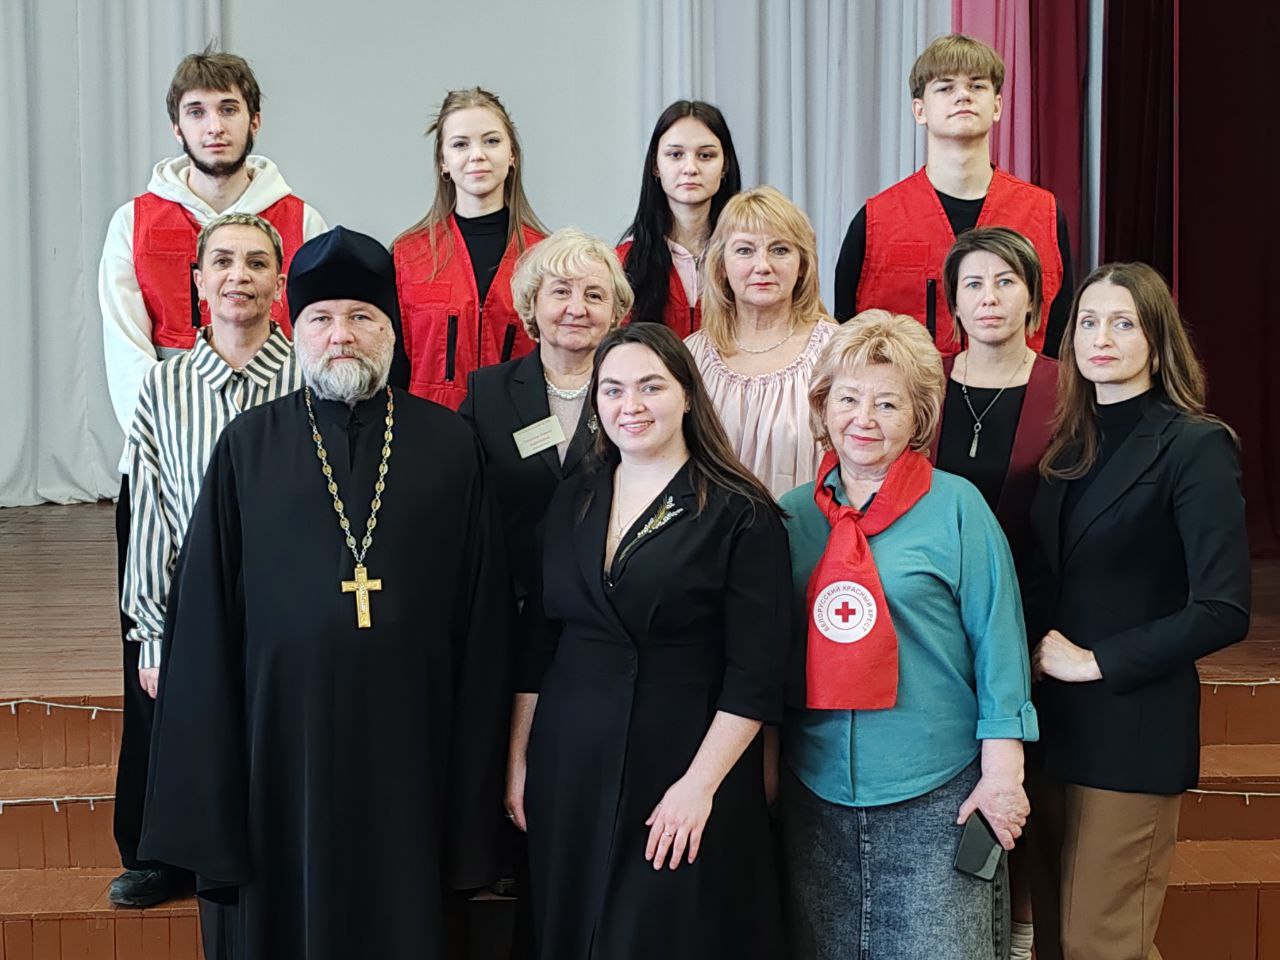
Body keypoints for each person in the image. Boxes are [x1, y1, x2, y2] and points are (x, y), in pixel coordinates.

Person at [138, 227, 513, 960]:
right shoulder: (248, 446)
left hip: (416, 741)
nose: (341, 335)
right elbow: (207, 617)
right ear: (297, 330)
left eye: (361, 317)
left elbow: (483, 614)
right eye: (322, 319)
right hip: (279, 745)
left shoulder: (450, 444)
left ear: (391, 329)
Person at [98, 45, 326, 909]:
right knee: (157, 674)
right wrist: (172, 425)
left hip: (279, 469)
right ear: (178, 126)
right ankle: (158, 846)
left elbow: (319, 329)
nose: (215, 125)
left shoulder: (299, 215)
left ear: (253, 119)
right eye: (197, 111)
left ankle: (272, 832)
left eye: (229, 108)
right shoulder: (137, 218)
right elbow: (127, 340)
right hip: (172, 450)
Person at [509, 323, 790, 959]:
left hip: (682, 768)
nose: (629, 405)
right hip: (570, 767)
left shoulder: (741, 512)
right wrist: (519, 762)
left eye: (650, 387)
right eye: (612, 390)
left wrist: (699, 787)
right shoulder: (574, 498)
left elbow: (755, 675)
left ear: (687, 394)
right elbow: (538, 641)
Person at [778, 311, 1038, 960]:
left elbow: (1000, 645)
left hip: (938, 796)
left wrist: (1003, 774)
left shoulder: (958, 508)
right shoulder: (790, 518)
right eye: (848, 398)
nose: (864, 418)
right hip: (816, 795)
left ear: (919, 416)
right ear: (823, 407)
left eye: (888, 403)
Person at [1023, 263, 1252, 960]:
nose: (1101, 338)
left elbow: (1223, 608)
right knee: (1054, 941)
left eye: (1123, 323)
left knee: (1101, 944)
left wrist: (1097, 661)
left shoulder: (1195, 445)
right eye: (1089, 322)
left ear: (1157, 339)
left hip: (1132, 728)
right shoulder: (1068, 446)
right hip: (1053, 727)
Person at [930, 226, 1055, 958]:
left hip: (1036, 619)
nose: (989, 298)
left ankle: (1022, 936)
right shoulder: (925, 382)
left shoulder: (1067, 386)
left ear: (1033, 298)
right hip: (938, 622)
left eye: (1006, 281)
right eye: (973, 284)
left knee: (1022, 788)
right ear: (953, 302)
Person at [122, 212, 300, 693]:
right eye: (222, 262)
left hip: (298, 611)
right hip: (200, 608)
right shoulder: (164, 386)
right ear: (200, 282)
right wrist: (153, 637)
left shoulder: (311, 377)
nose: (239, 275)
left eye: (257, 263)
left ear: (279, 285)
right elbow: (151, 518)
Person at [832, 33, 1072, 358]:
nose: (963, 96)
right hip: (908, 389)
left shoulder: (1043, 214)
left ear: (997, 106)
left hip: (1022, 388)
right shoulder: (875, 221)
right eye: (945, 88)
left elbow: (1061, 332)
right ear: (920, 110)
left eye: (977, 85)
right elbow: (845, 333)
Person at [393, 87, 547, 409]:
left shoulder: (546, 257)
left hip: (520, 426)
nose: (477, 154)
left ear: (512, 154)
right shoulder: (406, 256)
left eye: (491, 141)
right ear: (443, 162)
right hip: (431, 427)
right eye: (460, 144)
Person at [684, 186, 836, 498]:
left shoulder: (836, 352)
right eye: (745, 250)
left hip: (808, 526)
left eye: (780, 250)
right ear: (721, 266)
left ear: (802, 265)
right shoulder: (690, 357)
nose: (763, 266)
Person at [616, 100, 742, 336]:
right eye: (675, 154)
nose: (690, 168)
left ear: (725, 166)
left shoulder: (751, 258)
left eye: (705, 155)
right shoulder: (622, 263)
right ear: (655, 165)